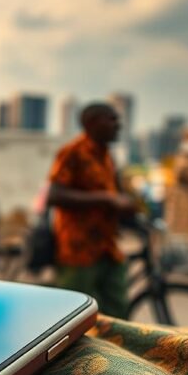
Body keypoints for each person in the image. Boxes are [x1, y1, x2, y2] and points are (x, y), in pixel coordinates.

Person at [47, 103, 136, 318]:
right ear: (92, 123)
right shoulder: (72, 152)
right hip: (79, 249)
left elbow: (117, 193)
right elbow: (55, 194)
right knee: (75, 317)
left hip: (107, 247)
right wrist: (105, 199)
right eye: (112, 119)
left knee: (117, 312)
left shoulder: (107, 156)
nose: (118, 124)